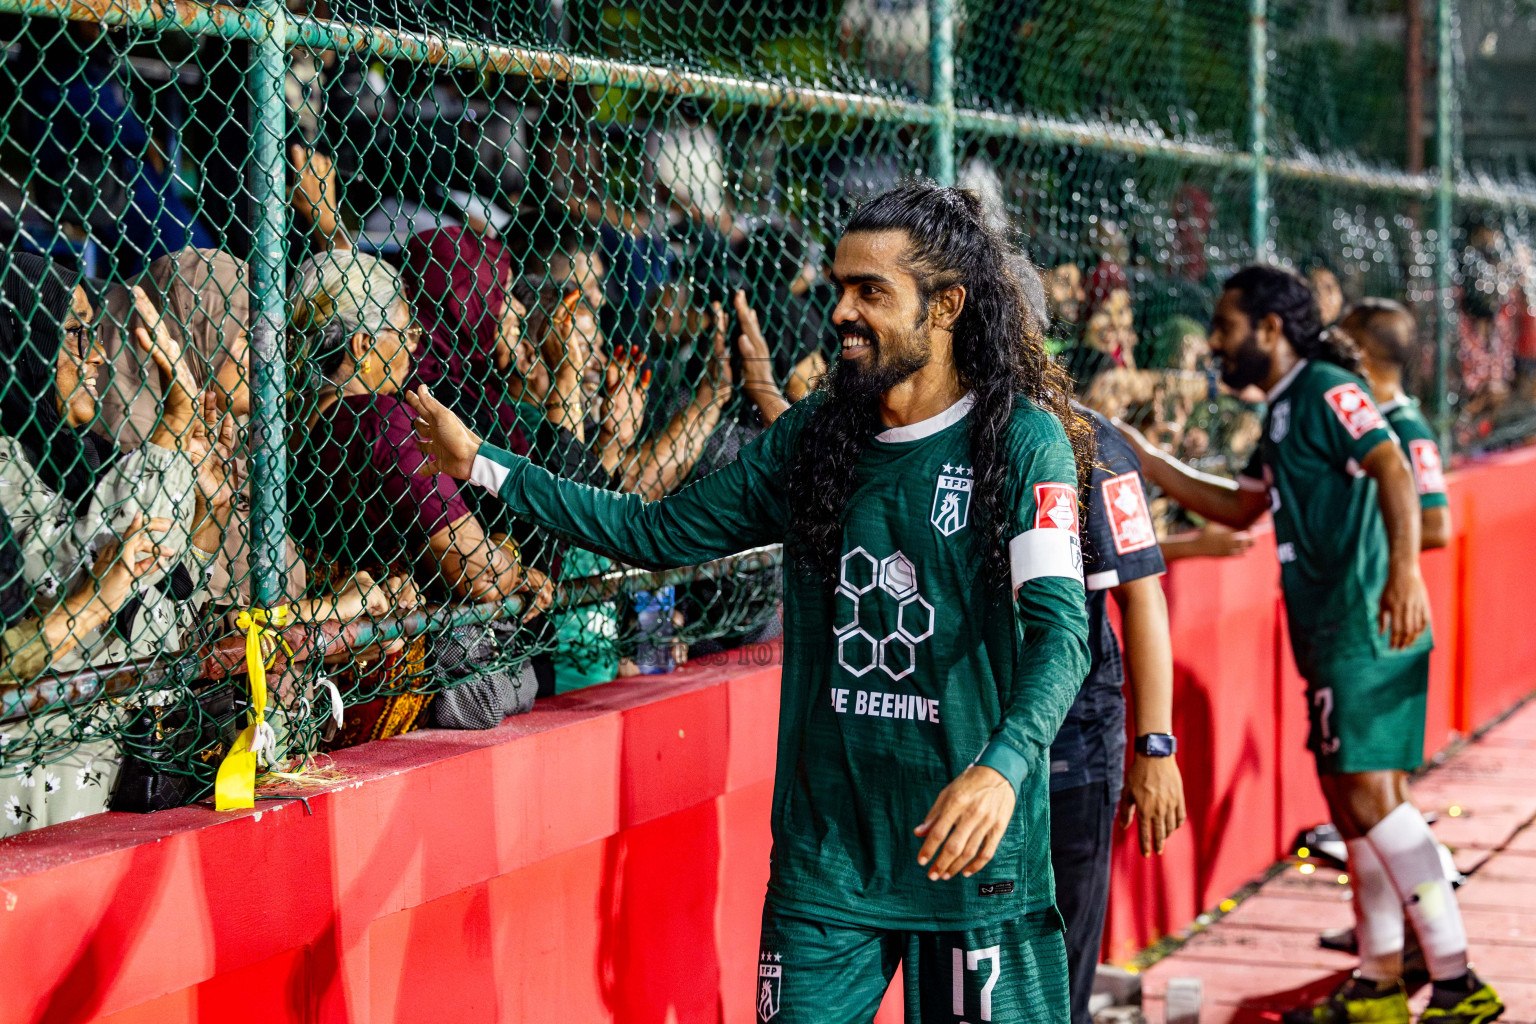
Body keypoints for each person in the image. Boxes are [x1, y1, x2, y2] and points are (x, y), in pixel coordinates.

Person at [410, 182, 1095, 1022]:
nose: (841, 311)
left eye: (871, 292)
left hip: (973, 858)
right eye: (839, 286)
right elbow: (656, 532)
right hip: (826, 866)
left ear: (947, 304)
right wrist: (484, 464)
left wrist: (1001, 769)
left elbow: (1061, 633)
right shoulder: (814, 437)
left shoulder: (1025, 442)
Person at [1117, 265, 1500, 1024]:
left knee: (1370, 798)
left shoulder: (1325, 387)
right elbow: (1244, 505)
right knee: (1353, 807)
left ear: (1268, 328)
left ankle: (1459, 981)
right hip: (1330, 630)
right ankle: (1378, 983)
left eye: (1226, 328)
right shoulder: (1286, 407)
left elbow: (1390, 463)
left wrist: (1400, 575)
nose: (1218, 344)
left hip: (1363, 625)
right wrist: (1147, 459)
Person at [0, 254, 236, 833]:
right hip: (36, 790)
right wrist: (172, 427)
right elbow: (63, 578)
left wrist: (210, 512)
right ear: (19, 338)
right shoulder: (6, 465)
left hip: (113, 771)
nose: (98, 354)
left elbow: (157, 605)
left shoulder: (85, 457)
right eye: (77, 334)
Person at [287, 251, 550, 744]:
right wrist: (512, 559)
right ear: (364, 343)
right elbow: (476, 573)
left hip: (327, 692)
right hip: (396, 697)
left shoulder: (293, 425)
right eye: (405, 335)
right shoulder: (383, 420)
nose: (413, 350)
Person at [1341, 300, 1452, 550]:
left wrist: (1356, 551)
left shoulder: (1408, 428)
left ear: (1360, 353)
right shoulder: (1368, 416)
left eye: (1341, 343)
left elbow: (1436, 527)